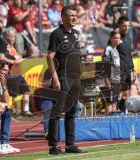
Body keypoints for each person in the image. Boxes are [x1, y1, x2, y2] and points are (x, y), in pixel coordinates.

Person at [46, 6, 84, 155]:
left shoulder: (76, 33)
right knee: (57, 111)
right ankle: (54, 146)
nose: (74, 18)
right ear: (63, 17)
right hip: (63, 77)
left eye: (75, 15)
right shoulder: (57, 34)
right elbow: (50, 56)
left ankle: (70, 144)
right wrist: (55, 77)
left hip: (76, 78)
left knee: (72, 111)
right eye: (71, 16)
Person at [116, 16, 136, 113]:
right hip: (120, 71)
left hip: (128, 70)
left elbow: (130, 55)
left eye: (128, 26)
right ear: (119, 26)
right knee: (119, 94)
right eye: (124, 26)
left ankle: (124, 113)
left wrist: (133, 69)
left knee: (127, 94)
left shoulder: (128, 38)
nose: (127, 28)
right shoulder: (115, 38)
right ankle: (118, 113)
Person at [102, 29, 121, 114]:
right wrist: (107, 80)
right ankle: (108, 124)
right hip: (111, 79)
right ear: (111, 38)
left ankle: (113, 123)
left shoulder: (116, 50)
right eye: (115, 38)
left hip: (116, 79)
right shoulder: (108, 49)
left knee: (115, 102)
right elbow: (105, 65)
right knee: (109, 102)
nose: (117, 40)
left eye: (118, 38)